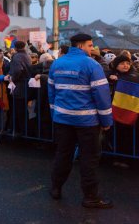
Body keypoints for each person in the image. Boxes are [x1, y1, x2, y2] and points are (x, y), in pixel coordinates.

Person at [48, 33, 113, 209]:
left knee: (63, 154)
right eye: (90, 45)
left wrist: (55, 114)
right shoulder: (92, 65)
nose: (92, 49)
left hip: (62, 119)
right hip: (87, 122)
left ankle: (56, 188)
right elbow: (101, 96)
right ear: (81, 46)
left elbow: (52, 92)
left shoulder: (57, 63)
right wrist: (106, 121)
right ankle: (91, 197)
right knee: (89, 159)